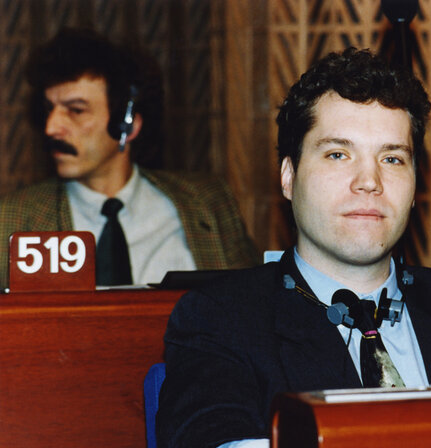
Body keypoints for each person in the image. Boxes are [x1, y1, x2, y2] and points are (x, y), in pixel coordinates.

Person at [157, 48, 431, 448]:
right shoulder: (223, 316)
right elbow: (201, 440)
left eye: (393, 159)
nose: (370, 182)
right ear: (288, 176)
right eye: (339, 154)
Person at [0, 28, 259, 288]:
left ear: (128, 125)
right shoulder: (14, 220)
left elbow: (252, 307)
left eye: (76, 110)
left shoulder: (206, 204)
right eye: (49, 109)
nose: (52, 128)